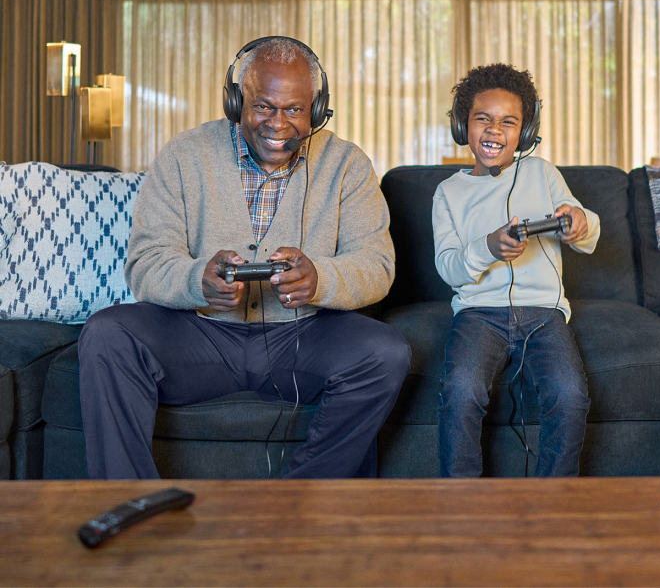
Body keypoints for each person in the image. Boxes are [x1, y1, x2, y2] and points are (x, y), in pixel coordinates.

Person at [78, 36, 411, 480]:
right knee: (107, 333)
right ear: (236, 102)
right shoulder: (183, 155)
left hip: (304, 334)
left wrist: (320, 279)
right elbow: (145, 261)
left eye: (294, 109)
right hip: (200, 334)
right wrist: (199, 279)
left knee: (385, 352)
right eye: (263, 107)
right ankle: (129, 502)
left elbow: (377, 265)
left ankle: (301, 501)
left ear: (316, 108)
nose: (278, 123)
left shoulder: (347, 164)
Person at [432, 63, 599, 477]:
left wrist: (577, 220)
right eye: (482, 120)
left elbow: (588, 233)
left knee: (570, 393)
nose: (494, 131)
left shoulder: (542, 172)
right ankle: (462, 501)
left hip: (544, 313)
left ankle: (553, 498)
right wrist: (489, 246)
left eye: (509, 122)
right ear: (462, 126)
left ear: (525, 132)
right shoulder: (448, 193)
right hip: (477, 315)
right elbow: (449, 267)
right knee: (460, 390)